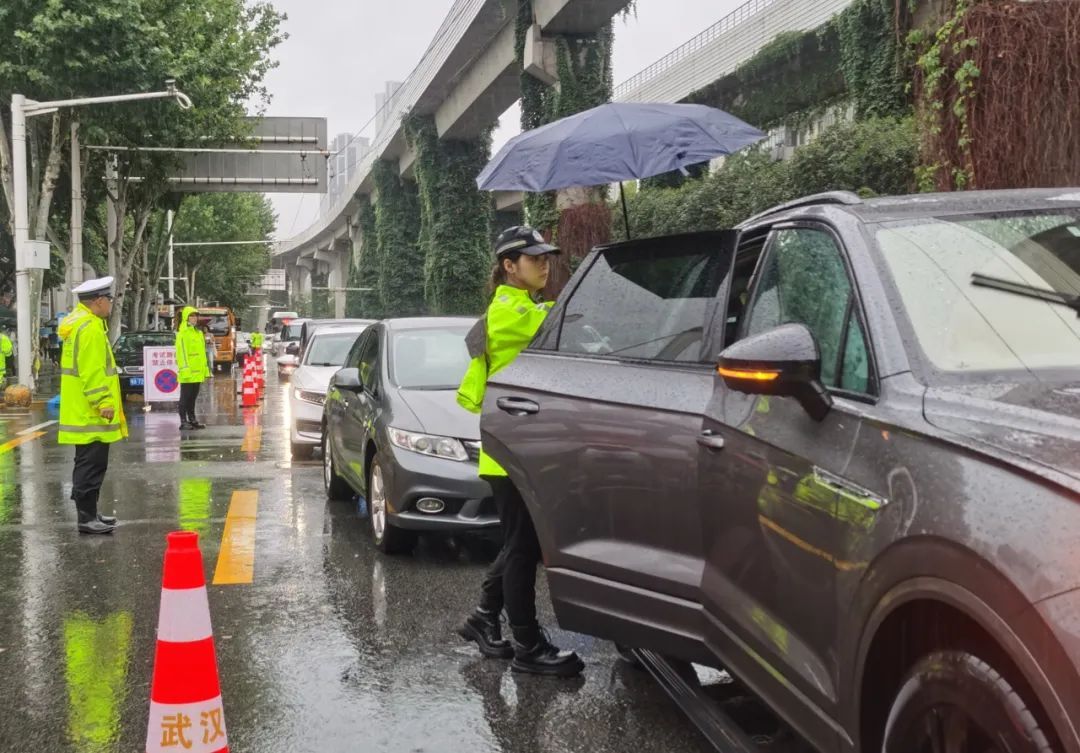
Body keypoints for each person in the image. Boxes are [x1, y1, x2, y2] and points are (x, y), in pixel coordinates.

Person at [456, 226, 584, 677]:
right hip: (510, 453)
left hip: (517, 448)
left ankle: (484, 618)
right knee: (523, 548)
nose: (544, 264)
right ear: (509, 267)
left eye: (547, 257)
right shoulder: (510, 312)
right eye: (534, 259)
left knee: (519, 544)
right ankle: (528, 644)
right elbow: (563, 324)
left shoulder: (524, 305)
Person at [58, 277, 127, 535]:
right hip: (91, 412)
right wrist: (103, 401)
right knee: (91, 465)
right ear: (98, 301)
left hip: (82, 410)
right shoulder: (90, 328)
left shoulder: (80, 324)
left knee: (88, 463)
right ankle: (86, 518)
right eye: (108, 299)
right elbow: (92, 371)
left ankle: (90, 512)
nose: (110, 304)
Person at [175, 306, 211, 430]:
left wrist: (206, 370)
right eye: (191, 316)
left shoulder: (198, 333)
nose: (194, 318)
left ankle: (192, 419)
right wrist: (185, 369)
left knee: (193, 397)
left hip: (197, 372)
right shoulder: (182, 333)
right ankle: (183, 421)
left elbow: (202, 353)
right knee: (184, 397)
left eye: (196, 316)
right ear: (186, 317)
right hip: (188, 372)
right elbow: (181, 353)